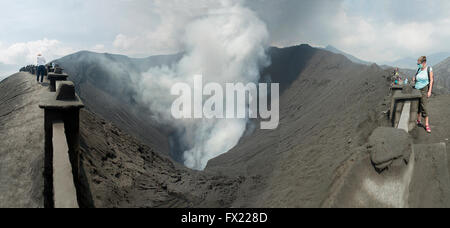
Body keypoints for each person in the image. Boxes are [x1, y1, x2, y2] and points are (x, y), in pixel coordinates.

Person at [413, 56, 434, 133]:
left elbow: (431, 80)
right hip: (416, 89)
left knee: (424, 106)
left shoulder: (429, 69)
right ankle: (418, 120)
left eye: (419, 63)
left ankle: (427, 124)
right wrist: (414, 78)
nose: (418, 65)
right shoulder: (419, 69)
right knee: (417, 105)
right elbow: (416, 77)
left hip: (424, 90)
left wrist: (429, 91)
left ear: (424, 63)